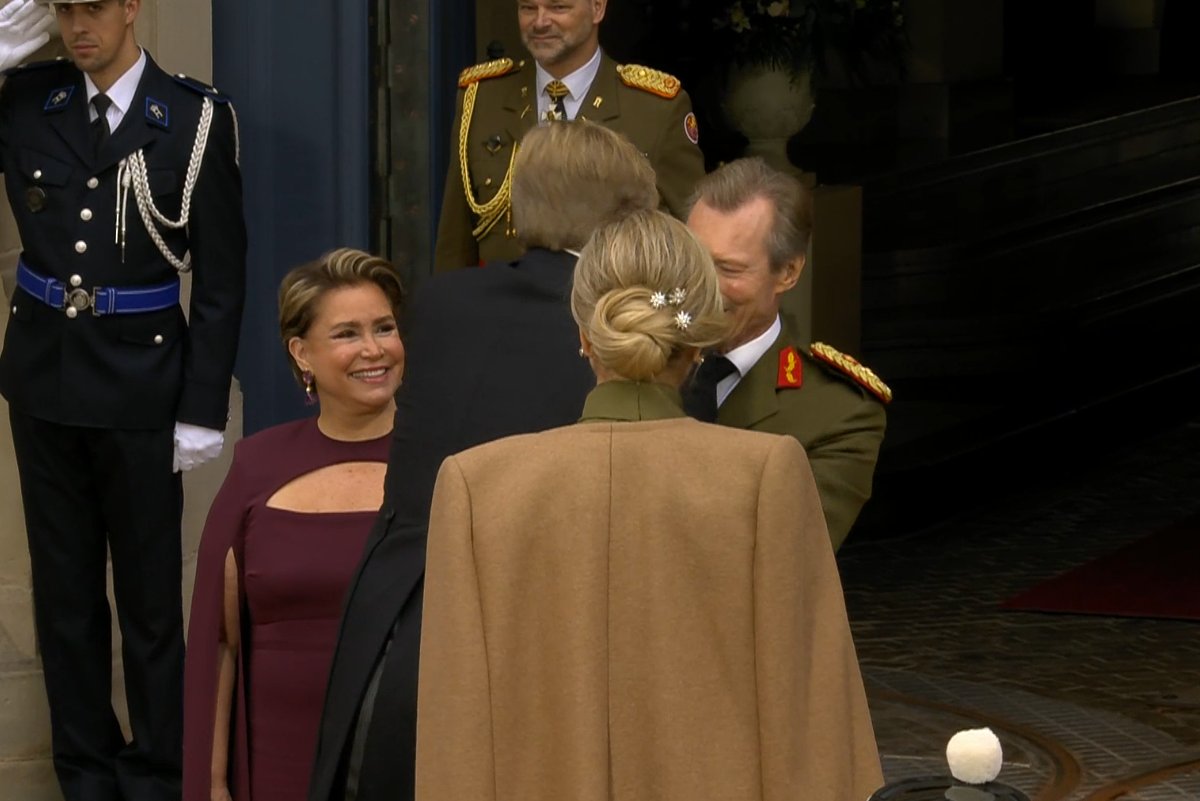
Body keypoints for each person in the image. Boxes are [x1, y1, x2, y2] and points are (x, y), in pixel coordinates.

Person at [415, 208, 883, 801]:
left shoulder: (475, 486)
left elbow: (454, 737)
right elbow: (811, 724)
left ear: (585, 335)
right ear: (699, 340)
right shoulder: (765, 475)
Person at [308, 120, 659, 801]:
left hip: (403, 628)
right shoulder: (629, 327)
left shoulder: (442, 302)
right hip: (542, 635)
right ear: (625, 222)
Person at [0, 1, 246, 799]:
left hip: (144, 386)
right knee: (64, 600)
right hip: (44, 383)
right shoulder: (28, 98)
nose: (80, 27)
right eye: (64, 10)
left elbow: (220, 278)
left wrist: (202, 405)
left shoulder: (191, 117)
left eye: (95, 8)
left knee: (148, 604)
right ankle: (85, 774)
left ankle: (156, 774)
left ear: (132, 6)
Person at [183, 249, 406, 801]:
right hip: (278, 765)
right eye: (347, 334)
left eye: (385, 328)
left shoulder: (446, 462)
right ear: (301, 353)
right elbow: (219, 643)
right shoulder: (256, 465)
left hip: (405, 761)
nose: (374, 349)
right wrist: (212, 784)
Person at [682, 157, 890, 549]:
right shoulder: (637, 367)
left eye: (729, 270)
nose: (702, 287)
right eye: (692, 260)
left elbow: (787, 552)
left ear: (788, 273)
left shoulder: (838, 413)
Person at [433, 0, 705, 271]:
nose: (540, 22)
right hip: (500, 306)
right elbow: (455, 241)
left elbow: (695, 234)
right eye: (528, 8)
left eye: (558, 8)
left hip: (607, 307)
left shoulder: (654, 108)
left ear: (597, 9)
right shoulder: (482, 98)